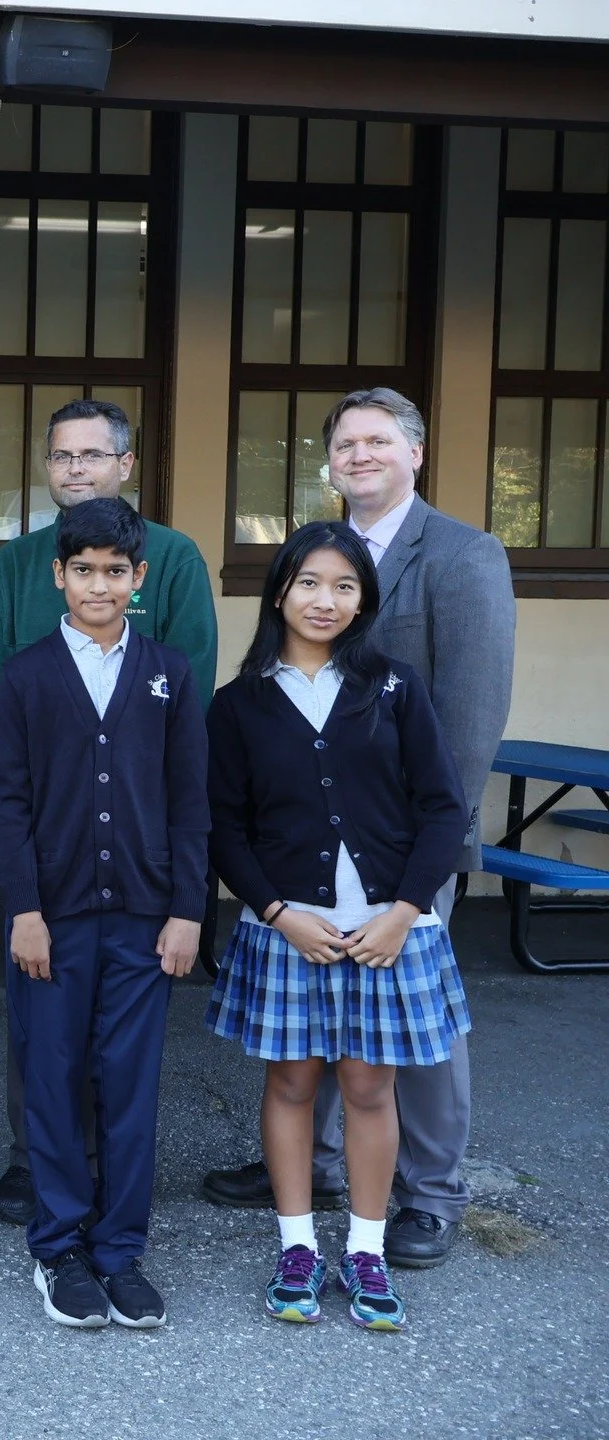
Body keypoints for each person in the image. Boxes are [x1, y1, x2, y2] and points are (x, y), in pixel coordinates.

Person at [201, 388, 515, 1272]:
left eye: (379, 439)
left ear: (416, 452)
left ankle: (429, 1194)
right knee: (311, 1050)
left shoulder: (463, 553)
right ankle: (315, 1172)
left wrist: (421, 878)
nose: (361, 454)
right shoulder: (314, 569)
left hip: (403, 851)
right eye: (346, 442)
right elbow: (229, 817)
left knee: (411, 1043)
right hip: (300, 874)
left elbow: (469, 718)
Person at [0, 398, 218, 1228]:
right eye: (62, 456)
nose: (75, 468)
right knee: (41, 1012)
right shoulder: (17, 563)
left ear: (126, 465)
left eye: (93, 455)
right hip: (49, 827)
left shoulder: (172, 558)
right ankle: (33, 1160)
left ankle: (111, 1175)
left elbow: (191, 693)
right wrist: (41, 782)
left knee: (122, 1026)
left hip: (137, 833)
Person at [205, 523, 470, 1332]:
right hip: (291, 930)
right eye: (310, 583)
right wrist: (279, 914)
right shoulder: (239, 703)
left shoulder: (394, 689)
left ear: (364, 601)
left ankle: (365, 1249)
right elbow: (224, 828)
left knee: (368, 1087)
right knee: (291, 1084)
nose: (327, 600)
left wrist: (404, 913)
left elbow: (442, 808)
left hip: (387, 930)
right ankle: (296, 1246)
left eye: (345, 586)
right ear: (280, 592)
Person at [0, 498, 208, 1329]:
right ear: (59, 574)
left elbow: (191, 801)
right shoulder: (27, 675)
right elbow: (10, 805)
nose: (99, 585)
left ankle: (119, 1249)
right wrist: (25, 910)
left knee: (128, 1087)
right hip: (55, 920)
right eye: (83, 570)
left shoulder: (168, 673)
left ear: (138, 577)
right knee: (52, 1081)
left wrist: (188, 911)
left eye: (116, 571)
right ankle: (59, 1248)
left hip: (146, 921)